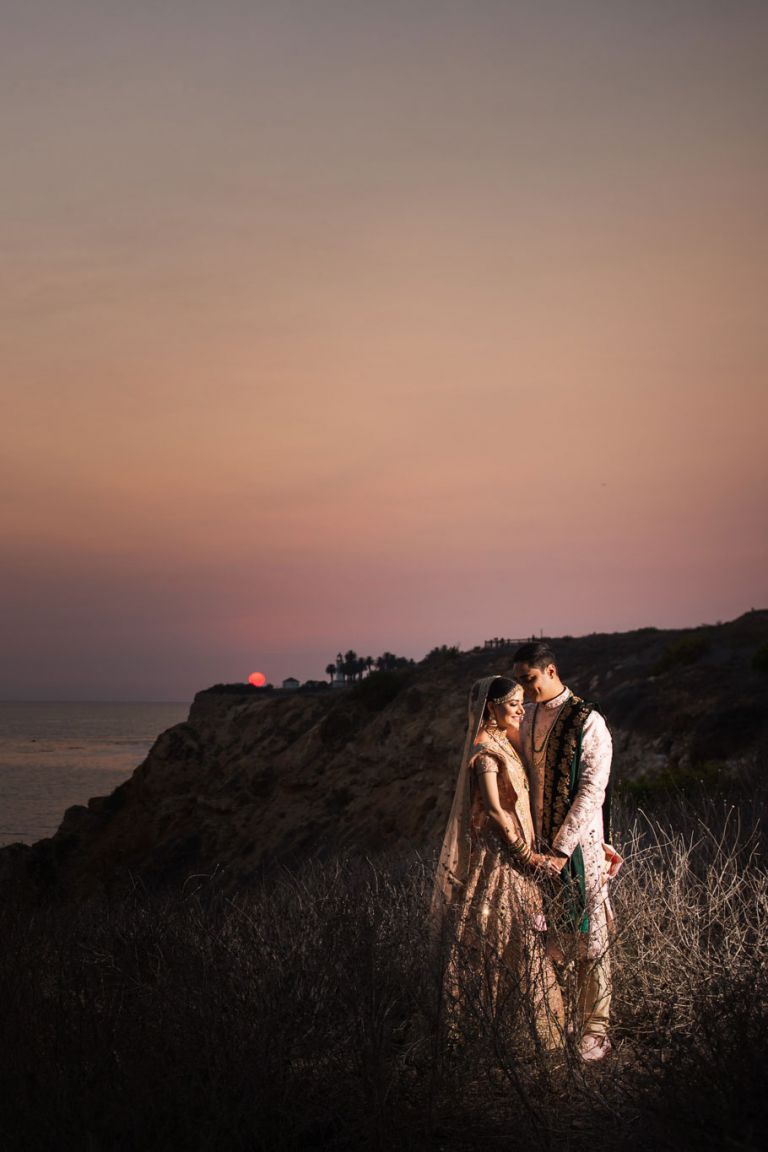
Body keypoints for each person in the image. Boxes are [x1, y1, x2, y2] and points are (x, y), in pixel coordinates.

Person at [433, 676, 564, 1048]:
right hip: (500, 858)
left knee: (520, 932)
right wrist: (526, 855)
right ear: (491, 708)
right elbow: (493, 809)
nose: (522, 711)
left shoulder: (506, 744)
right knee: (502, 928)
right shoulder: (485, 751)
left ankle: (523, 1029)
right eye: (513, 704)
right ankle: (495, 1029)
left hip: (516, 854)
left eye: (523, 702)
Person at [511, 642, 621, 1062]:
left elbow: (593, 789)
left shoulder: (589, 720)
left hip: (576, 847)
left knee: (590, 934)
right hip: (537, 845)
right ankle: (565, 1020)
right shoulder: (531, 713)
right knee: (551, 935)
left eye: (530, 679)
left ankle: (596, 1029)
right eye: (520, 681)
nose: (524, 688)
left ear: (551, 670)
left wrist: (562, 847)